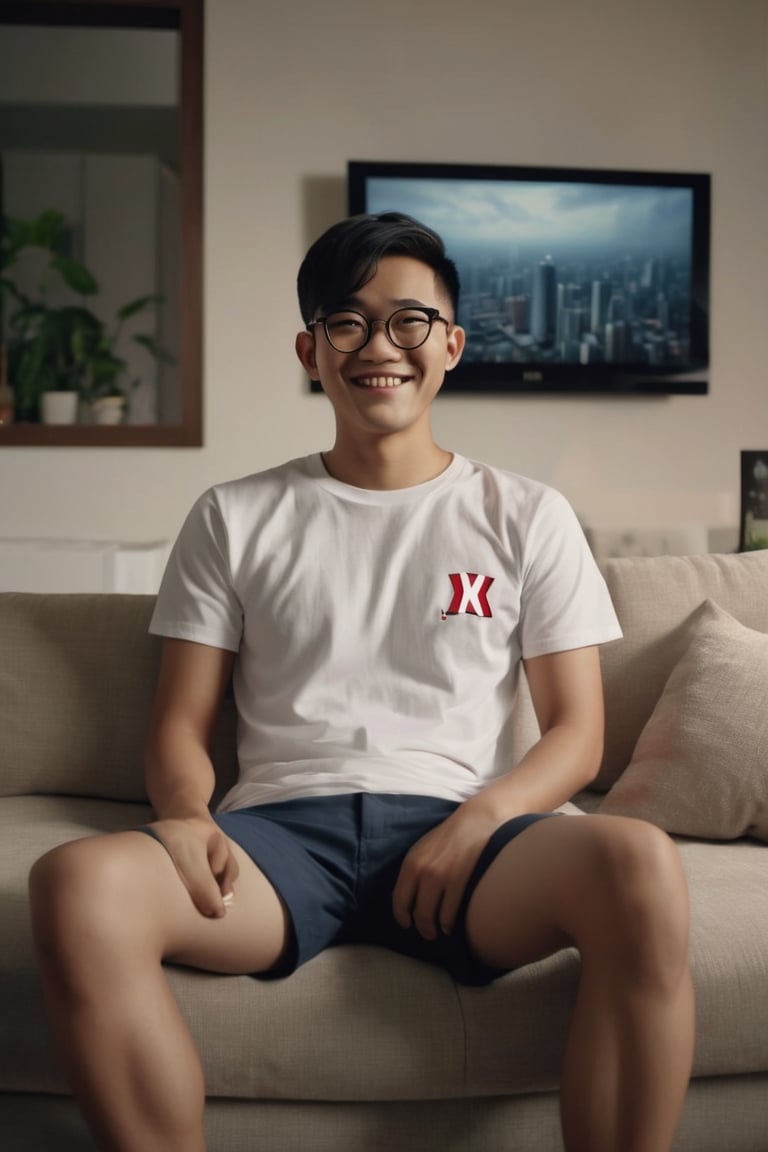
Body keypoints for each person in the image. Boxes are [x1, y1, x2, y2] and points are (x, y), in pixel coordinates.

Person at [29, 212, 694, 1152]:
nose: (380, 346)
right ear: (311, 349)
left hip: (472, 838)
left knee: (639, 863)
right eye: (348, 322)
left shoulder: (528, 516)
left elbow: (576, 734)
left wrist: (477, 821)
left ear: (452, 344)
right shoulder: (235, 515)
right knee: (75, 883)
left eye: (409, 321)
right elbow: (181, 723)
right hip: (280, 839)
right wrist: (183, 811)